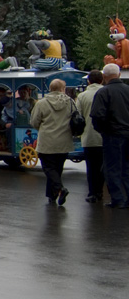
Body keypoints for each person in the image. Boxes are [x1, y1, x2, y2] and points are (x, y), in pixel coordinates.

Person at [89, 63, 129, 209]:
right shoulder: (127, 90)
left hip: (112, 135)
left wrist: (103, 130)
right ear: (119, 75)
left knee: (112, 167)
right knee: (126, 167)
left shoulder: (103, 93)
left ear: (104, 77)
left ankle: (118, 199)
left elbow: (97, 115)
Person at [30, 78, 74, 205]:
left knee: (48, 168)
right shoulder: (70, 102)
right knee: (57, 168)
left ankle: (60, 189)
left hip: (47, 140)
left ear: (50, 89)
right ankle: (52, 195)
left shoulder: (41, 103)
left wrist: (43, 128)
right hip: (64, 140)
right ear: (62, 89)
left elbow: (34, 122)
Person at [76, 70, 105, 203]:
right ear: (102, 80)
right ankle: (106, 191)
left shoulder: (82, 96)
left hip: (89, 137)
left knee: (92, 167)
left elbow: (78, 117)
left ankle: (94, 192)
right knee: (106, 165)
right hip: (106, 137)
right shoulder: (107, 92)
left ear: (89, 81)